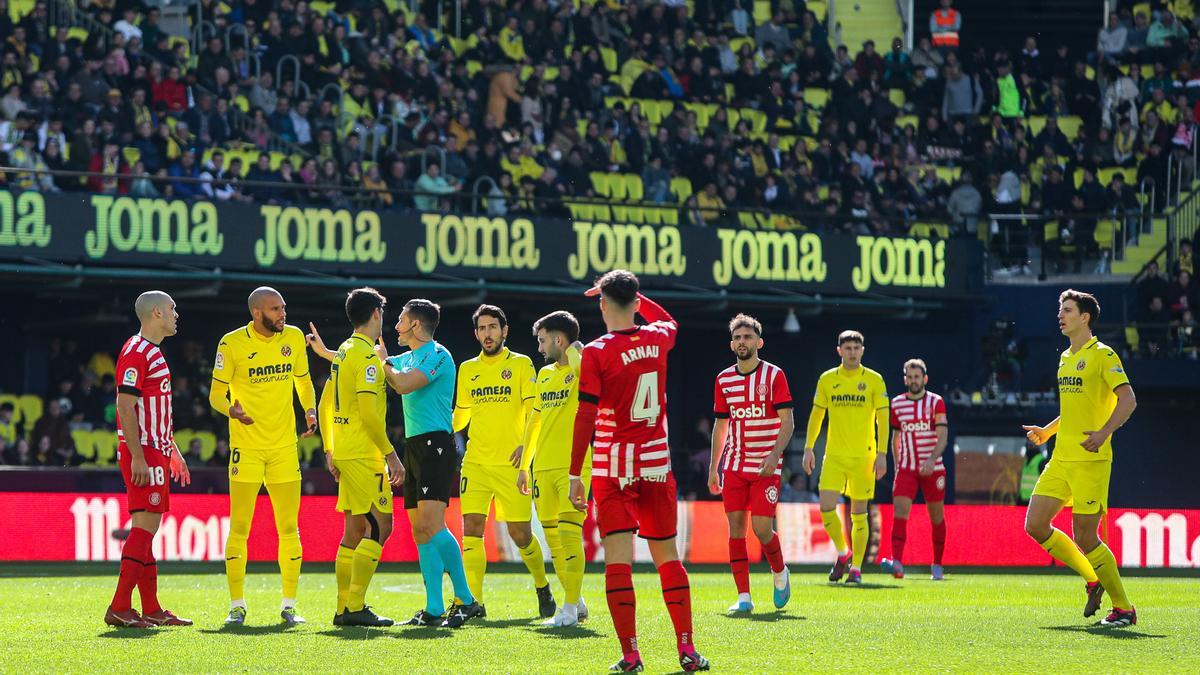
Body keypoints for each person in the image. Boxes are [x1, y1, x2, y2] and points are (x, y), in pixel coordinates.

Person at [568, 270, 709, 672]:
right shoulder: (658, 338)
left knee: (618, 561)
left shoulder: (596, 351)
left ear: (601, 304)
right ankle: (686, 648)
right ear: (635, 302)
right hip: (656, 464)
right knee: (667, 556)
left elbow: (586, 414)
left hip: (614, 467)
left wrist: (576, 471)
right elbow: (669, 321)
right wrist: (637, 297)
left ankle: (631, 654)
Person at [312, 298, 480, 627]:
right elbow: (366, 364)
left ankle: (467, 599)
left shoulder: (438, 355)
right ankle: (433, 608)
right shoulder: (404, 358)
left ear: (415, 324)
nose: (396, 324)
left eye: (402, 319)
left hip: (437, 445)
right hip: (414, 445)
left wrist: (382, 361)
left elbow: (400, 383)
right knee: (420, 530)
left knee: (434, 525)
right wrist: (327, 354)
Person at [1022, 290, 1138, 628]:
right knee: (1035, 525)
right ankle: (1092, 578)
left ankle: (1124, 608)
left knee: (1086, 536)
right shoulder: (1065, 358)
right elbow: (1072, 411)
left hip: (1091, 460)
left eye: (1067, 310)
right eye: (1060, 309)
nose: (1061, 314)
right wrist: (1047, 431)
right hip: (1061, 458)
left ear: (1085, 317)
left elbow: (1128, 400)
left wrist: (1103, 434)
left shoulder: (1103, 354)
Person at [209, 287, 317, 626]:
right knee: (240, 526)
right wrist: (231, 410)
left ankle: (289, 605)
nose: (282, 314)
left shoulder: (295, 338)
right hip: (248, 448)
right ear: (257, 313)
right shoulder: (231, 344)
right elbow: (215, 394)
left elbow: (303, 380)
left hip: (284, 447)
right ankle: (237, 605)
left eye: (283, 307)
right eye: (275, 309)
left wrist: (310, 410)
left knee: (289, 527)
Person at [450, 304, 551, 618]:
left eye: (492, 327)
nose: (487, 333)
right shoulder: (467, 369)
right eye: (482, 328)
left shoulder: (521, 365)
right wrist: (436, 425)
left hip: (511, 466)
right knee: (472, 530)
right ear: (476, 333)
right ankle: (474, 603)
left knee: (520, 534)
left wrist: (526, 448)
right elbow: (462, 415)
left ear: (504, 331)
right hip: (476, 464)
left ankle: (542, 585)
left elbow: (535, 413)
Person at [315, 288, 405, 627]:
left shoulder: (343, 352)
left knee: (355, 529)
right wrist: (391, 455)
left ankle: (344, 608)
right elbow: (369, 416)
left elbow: (325, 405)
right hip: (365, 456)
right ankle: (354, 607)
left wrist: (329, 449)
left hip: (346, 452)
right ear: (377, 315)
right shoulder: (365, 358)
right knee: (383, 525)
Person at [105, 291, 192, 628]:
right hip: (142, 450)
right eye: (172, 308)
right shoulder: (137, 352)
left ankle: (152, 607)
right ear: (157, 313)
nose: (176, 313)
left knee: (148, 528)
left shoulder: (149, 351)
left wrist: (173, 450)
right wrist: (139, 457)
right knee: (145, 527)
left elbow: (153, 410)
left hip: (155, 448)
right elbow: (125, 406)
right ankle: (119, 607)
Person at [708, 313, 794, 614]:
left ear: (760, 342)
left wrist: (774, 455)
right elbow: (721, 427)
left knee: (761, 528)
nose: (742, 342)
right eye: (738, 338)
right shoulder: (723, 379)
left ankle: (780, 571)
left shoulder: (774, 376)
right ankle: (743, 596)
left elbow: (788, 422)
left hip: (765, 468)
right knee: (735, 530)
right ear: (732, 345)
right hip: (733, 466)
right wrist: (713, 468)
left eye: (748, 337)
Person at [519, 310, 590, 627]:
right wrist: (524, 466)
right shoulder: (544, 374)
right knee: (553, 542)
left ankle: (570, 609)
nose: (539, 347)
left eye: (543, 340)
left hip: (572, 469)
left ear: (559, 340)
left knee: (569, 536)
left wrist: (575, 348)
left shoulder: (580, 366)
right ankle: (577, 602)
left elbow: (582, 366)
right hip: (542, 469)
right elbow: (534, 422)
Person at [802, 330, 889, 585]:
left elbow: (883, 420)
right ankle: (843, 552)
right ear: (839, 350)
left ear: (863, 350)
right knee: (826, 507)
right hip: (835, 456)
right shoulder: (828, 379)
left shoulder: (874, 380)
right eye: (847, 348)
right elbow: (817, 416)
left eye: (856, 348)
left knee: (859, 513)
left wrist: (882, 454)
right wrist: (808, 447)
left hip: (864, 456)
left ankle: (857, 569)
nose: (852, 352)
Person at [879, 359, 950, 581]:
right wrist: (898, 464)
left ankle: (937, 565)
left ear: (925, 379)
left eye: (917, 377)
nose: (913, 381)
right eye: (909, 377)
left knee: (936, 516)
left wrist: (931, 460)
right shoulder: (897, 404)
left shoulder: (936, 402)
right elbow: (895, 438)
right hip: (907, 469)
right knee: (900, 514)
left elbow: (943, 437)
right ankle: (897, 563)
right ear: (905, 380)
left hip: (934, 469)